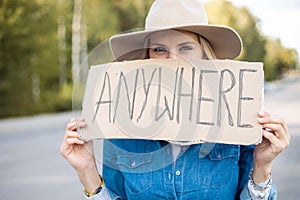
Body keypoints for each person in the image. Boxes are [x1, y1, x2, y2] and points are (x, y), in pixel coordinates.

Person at [60, 0, 290, 199]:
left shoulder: (237, 127)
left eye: (185, 47)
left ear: (204, 55)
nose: (172, 60)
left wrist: (262, 167)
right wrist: (87, 171)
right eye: (159, 49)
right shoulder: (121, 129)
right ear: (147, 57)